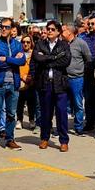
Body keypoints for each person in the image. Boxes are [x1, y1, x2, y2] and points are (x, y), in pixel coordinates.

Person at [32, 20, 72, 151]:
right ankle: (44, 138)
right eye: (48, 29)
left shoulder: (64, 45)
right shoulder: (40, 44)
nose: (49, 31)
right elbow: (37, 58)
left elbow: (66, 61)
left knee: (61, 113)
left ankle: (63, 141)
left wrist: (47, 59)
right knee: (46, 114)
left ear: (58, 32)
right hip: (45, 84)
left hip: (59, 84)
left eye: (52, 29)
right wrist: (54, 57)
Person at [0, 18, 25, 150]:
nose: (3, 29)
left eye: (7, 27)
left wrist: (7, 59)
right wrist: (14, 59)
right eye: (2, 26)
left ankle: (10, 139)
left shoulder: (17, 44)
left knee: (11, 114)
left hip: (13, 83)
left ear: (12, 29)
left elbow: (22, 62)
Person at [61, 24, 91, 135]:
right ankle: (62, 128)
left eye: (63, 30)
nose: (61, 32)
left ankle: (78, 127)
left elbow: (88, 59)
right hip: (63, 78)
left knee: (78, 103)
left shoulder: (81, 43)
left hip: (77, 79)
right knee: (62, 104)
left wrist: (81, 71)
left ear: (70, 32)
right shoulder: (61, 43)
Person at [16, 34, 37, 132]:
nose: (26, 44)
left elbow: (36, 67)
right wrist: (22, 76)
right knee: (20, 102)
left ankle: (31, 119)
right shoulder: (18, 54)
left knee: (31, 102)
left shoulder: (34, 54)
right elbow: (16, 67)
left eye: (28, 42)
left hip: (31, 81)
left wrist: (31, 77)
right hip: (21, 81)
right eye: (24, 42)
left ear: (31, 43)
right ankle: (19, 120)